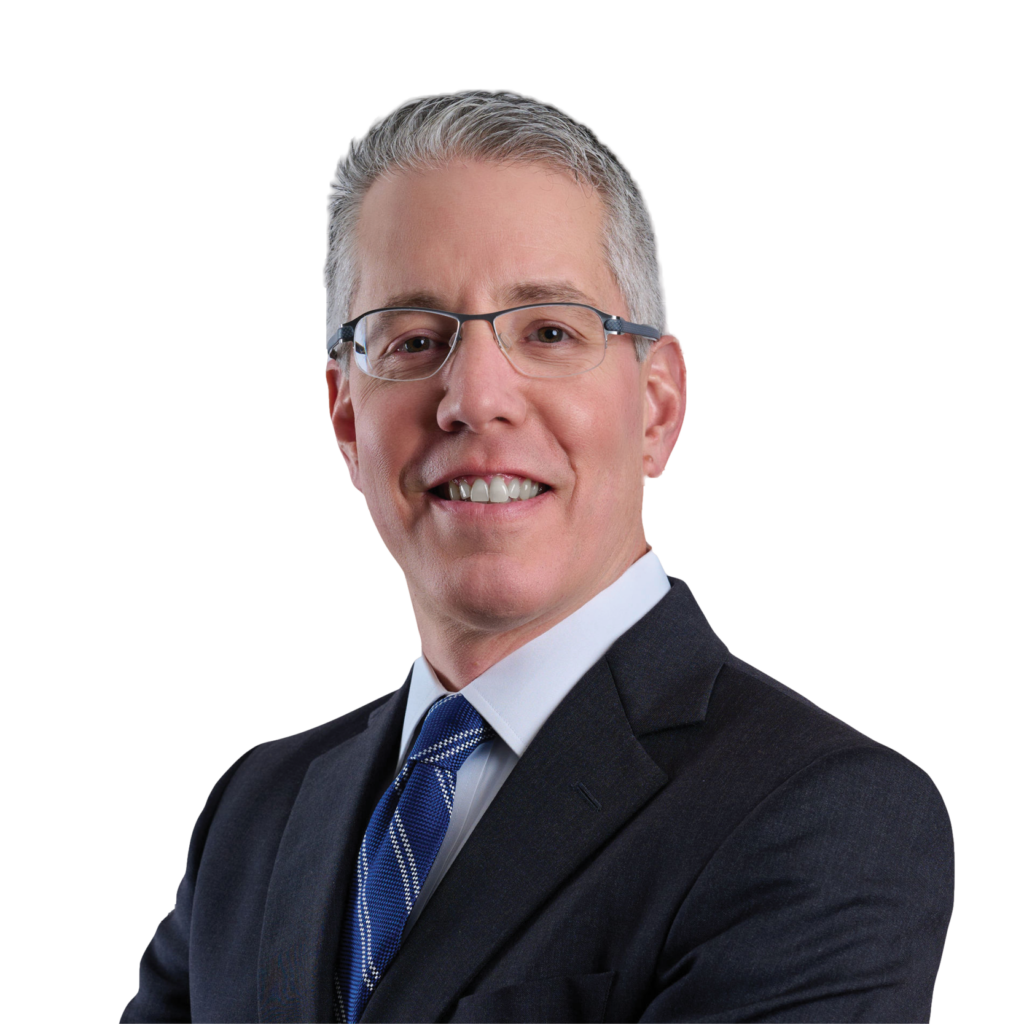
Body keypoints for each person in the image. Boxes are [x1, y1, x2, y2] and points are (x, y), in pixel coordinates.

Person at [122, 88, 954, 1024]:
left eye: (550, 331)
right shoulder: (254, 812)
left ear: (658, 408)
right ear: (347, 423)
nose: (475, 398)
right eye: (414, 340)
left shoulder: (820, 814)